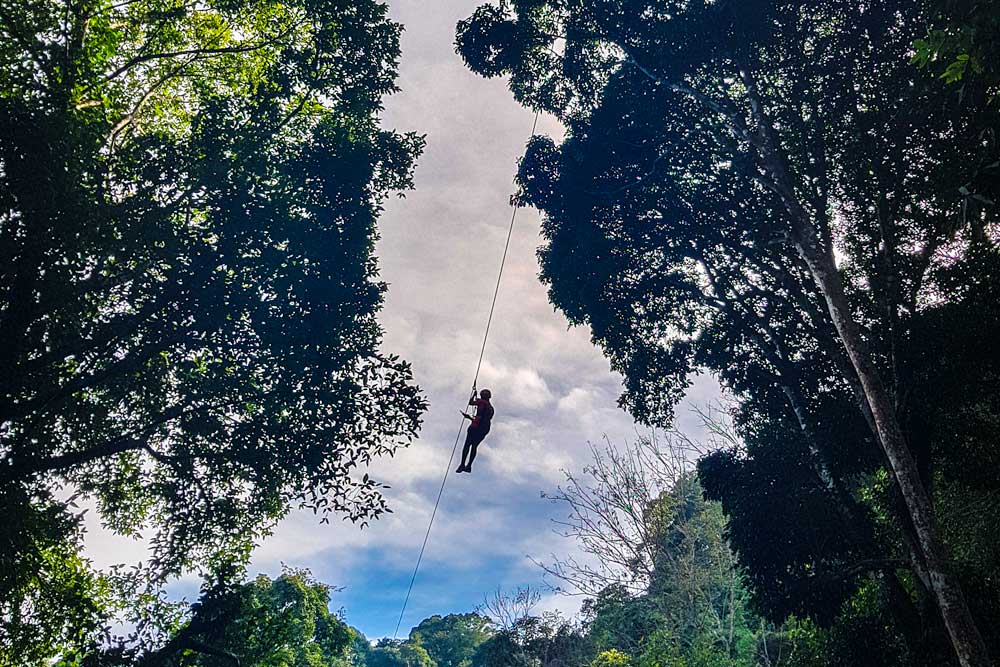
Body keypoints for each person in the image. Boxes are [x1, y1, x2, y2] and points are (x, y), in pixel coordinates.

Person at [456, 388, 494, 473]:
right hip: (484, 429)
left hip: (475, 427)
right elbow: (483, 419)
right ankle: (469, 465)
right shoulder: (491, 408)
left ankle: (462, 464)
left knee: (467, 445)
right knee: (474, 446)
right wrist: (470, 418)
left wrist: (473, 394)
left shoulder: (481, 402)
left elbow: (470, 403)